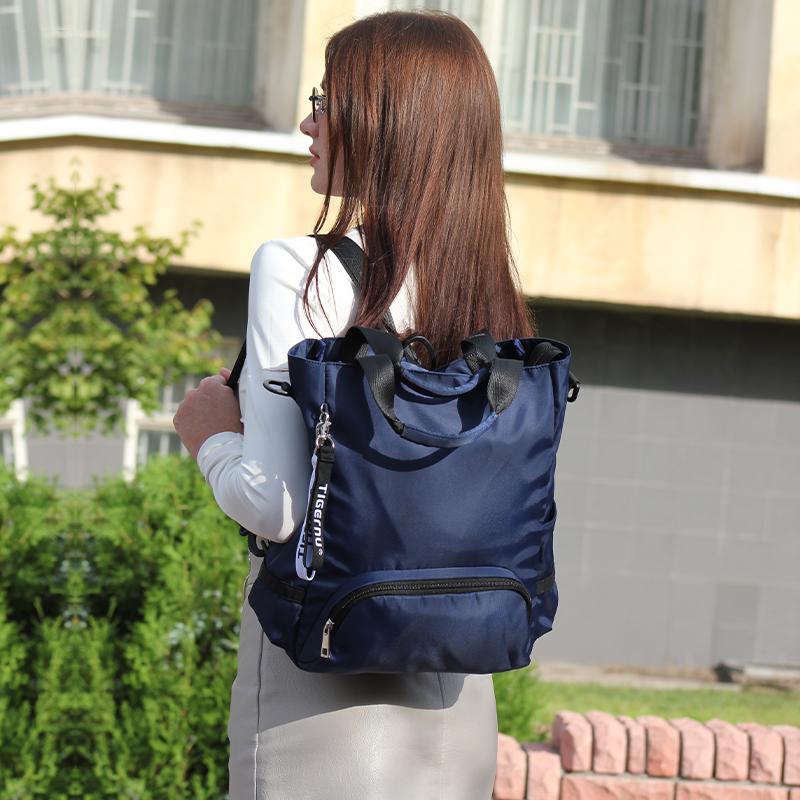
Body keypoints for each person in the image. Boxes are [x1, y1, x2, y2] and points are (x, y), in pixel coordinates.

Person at [172, 10, 536, 799]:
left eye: (325, 101)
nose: (308, 123)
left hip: (325, 694)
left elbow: (275, 508)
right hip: (462, 704)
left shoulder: (299, 270)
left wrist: (209, 435)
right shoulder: (488, 295)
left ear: (385, 122)